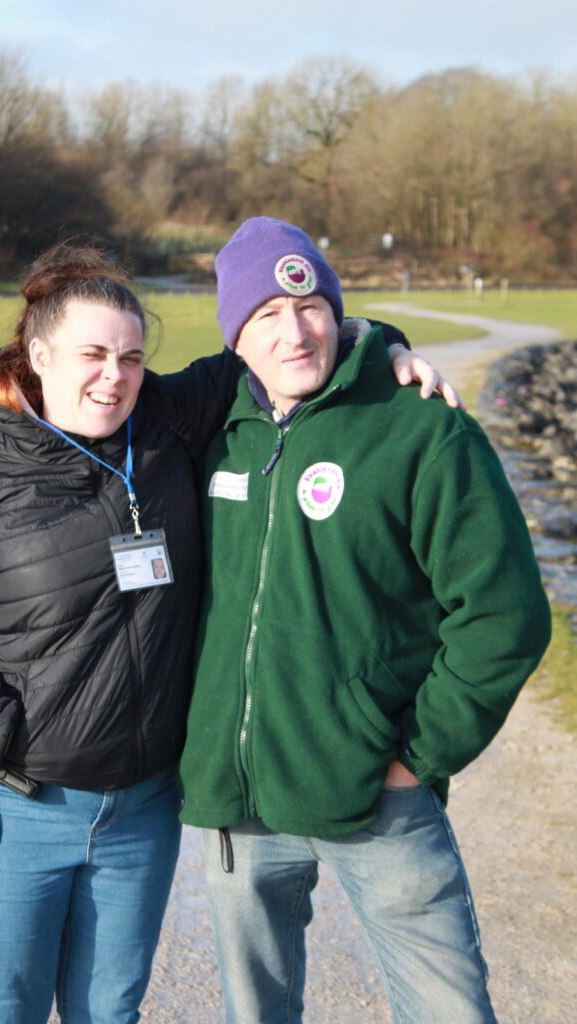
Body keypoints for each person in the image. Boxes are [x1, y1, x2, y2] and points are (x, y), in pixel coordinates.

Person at [0, 238, 459, 1024]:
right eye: (92, 354)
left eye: (131, 357)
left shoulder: (166, 419)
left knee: (111, 1010)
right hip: (15, 809)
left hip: (141, 811)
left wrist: (385, 345)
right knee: (5, 1010)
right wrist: (8, 737)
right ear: (38, 353)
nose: (113, 376)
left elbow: (286, 336)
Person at [177, 217, 552, 1023]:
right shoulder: (215, 435)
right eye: (266, 315)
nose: (294, 331)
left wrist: (418, 754)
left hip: (379, 797)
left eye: (309, 305)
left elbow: (505, 614)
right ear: (234, 337)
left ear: (337, 311)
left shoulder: (423, 426)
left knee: (449, 1011)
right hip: (237, 798)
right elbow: (83, 413)